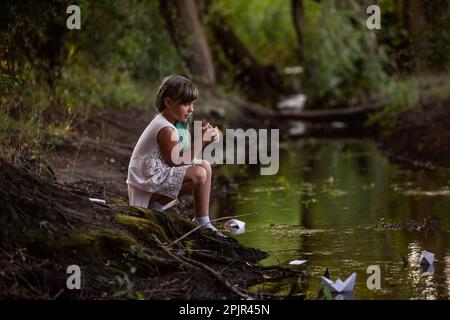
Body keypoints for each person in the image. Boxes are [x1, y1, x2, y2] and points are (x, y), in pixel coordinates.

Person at [126, 74, 222, 234]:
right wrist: (203, 141)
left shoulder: (173, 124)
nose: (191, 109)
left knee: (205, 165)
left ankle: (202, 220)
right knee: (198, 175)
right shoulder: (164, 128)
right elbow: (177, 161)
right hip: (144, 182)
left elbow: (183, 156)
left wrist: (204, 138)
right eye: (186, 104)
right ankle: (154, 209)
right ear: (168, 103)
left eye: (192, 104)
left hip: (155, 174)